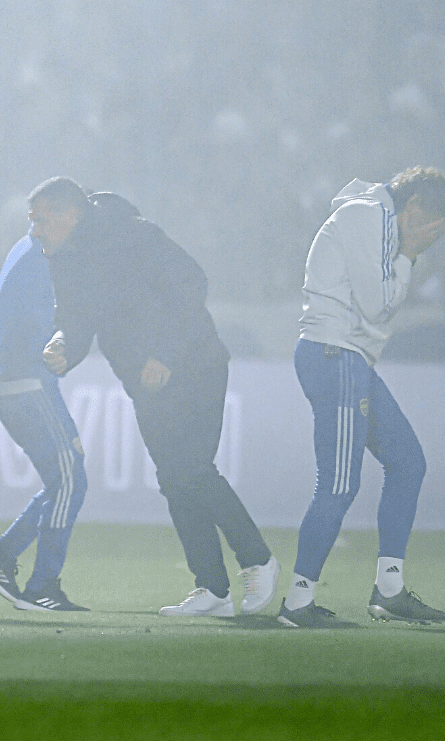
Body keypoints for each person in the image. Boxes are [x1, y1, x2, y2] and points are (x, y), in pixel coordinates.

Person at [31, 176, 278, 618]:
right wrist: (64, 345)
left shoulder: (134, 234)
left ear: (71, 214)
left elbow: (191, 283)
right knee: (174, 476)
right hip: (142, 379)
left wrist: (165, 353)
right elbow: (75, 318)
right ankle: (212, 589)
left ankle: (257, 559)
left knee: (191, 469)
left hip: (196, 364)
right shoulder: (64, 259)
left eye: (42, 220)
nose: (35, 230)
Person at [278, 167, 445, 628]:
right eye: (433, 225)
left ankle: (389, 591)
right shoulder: (369, 217)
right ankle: (297, 603)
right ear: (414, 208)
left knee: (408, 462)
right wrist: (410, 254)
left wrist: (406, 251)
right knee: (338, 484)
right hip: (337, 357)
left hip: (348, 360)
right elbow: (379, 305)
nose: (432, 235)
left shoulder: (370, 217)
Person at [0, 230, 88, 612]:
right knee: (71, 479)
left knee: (63, 481)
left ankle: (2, 557)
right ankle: (41, 586)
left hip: (12, 385)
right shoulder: (46, 255)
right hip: (31, 386)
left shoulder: (23, 251)